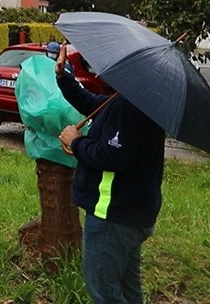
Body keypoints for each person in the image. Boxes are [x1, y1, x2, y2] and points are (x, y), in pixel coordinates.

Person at [55, 43, 166, 304]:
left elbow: (114, 157)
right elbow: (90, 102)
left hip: (113, 217)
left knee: (104, 291)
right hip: (134, 214)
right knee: (128, 290)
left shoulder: (127, 108)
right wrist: (63, 76)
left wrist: (76, 142)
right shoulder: (137, 100)